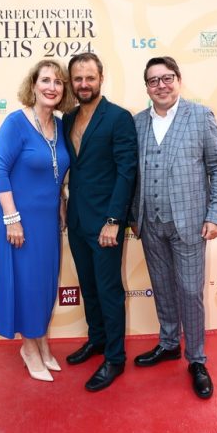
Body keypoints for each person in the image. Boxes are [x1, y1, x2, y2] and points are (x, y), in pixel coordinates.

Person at [130, 56, 217, 399]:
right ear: (146, 87)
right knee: (162, 286)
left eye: (166, 78)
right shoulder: (137, 122)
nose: (161, 85)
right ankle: (169, 343)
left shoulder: (200, 117)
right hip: (150, 222)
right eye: (153, 80)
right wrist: (132, 216)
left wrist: (215, 213)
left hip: (189, 222)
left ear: (178, 80)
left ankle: (197, 359)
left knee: (190, 291)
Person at [0, 59, 74, 382]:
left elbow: (58, 171)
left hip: (48, 221)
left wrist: (63, 202)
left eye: (58, 82)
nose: (51, 87)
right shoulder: (15, 123)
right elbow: (0, 170)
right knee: (27, 284)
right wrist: (12, 219)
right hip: (20, 220)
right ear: (33, 85)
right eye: (45, 80)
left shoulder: (60, 126)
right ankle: (29, 348)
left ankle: (40, 341)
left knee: (43, 284)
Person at [62, 52, 137, 392]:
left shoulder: (118, 118)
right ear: (71, 82)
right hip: (77, 220)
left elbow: (126, 172)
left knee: (108, 290)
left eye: (89, 77)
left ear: (101, 78)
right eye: (78, 79)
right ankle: (97, 340)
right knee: (88, 287)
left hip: (105, 222)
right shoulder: (67, 119)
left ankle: (115, 358)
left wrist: (113, 220)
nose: (84, 84)